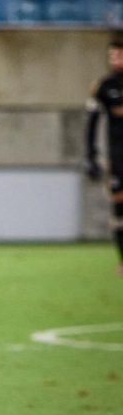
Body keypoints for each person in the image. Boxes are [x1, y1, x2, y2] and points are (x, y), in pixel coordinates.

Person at [85, 37, 123, 274]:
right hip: (118, 156)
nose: (115, 60)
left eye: (119, 55)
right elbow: (91, 122)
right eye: (112, 56)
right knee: (119, 209)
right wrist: (91, 155)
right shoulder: (104, 86)